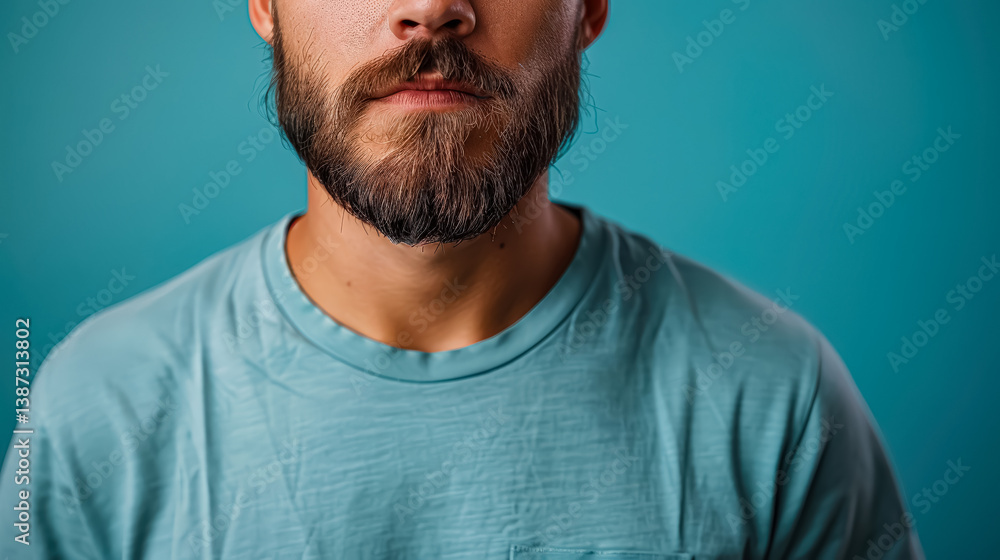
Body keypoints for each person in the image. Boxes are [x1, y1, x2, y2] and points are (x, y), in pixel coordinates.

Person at [1, 0, 924, 558]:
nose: (432, 8)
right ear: (264, 2)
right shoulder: (97, 408)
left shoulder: (775, 400)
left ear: (590, 5)